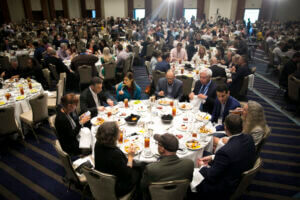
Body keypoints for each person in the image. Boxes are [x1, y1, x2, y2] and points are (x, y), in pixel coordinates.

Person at [194, 114, 256, 199]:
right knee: (206, 154)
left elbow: (211, 176)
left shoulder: (225, 151)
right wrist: (213, 157)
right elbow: (233, 155)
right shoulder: (249, 138)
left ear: (225, 128)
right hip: (237, 172)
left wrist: (202, 166)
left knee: (190, 172)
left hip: (223, 187)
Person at [141, 133, 194, 200]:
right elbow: (190, 181)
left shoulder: (151, 169)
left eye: (158, 144)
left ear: (162, 149)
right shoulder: (189, 164)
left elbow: (143, 188)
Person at [94, 121, 140, 197]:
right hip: (116, 188)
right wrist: (130, 157)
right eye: (118, 130)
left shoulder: (98, 143)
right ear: (113, 137)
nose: (120, 131)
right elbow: (127, 173)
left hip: (100, 179)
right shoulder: (115, 154)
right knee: (139, 169)